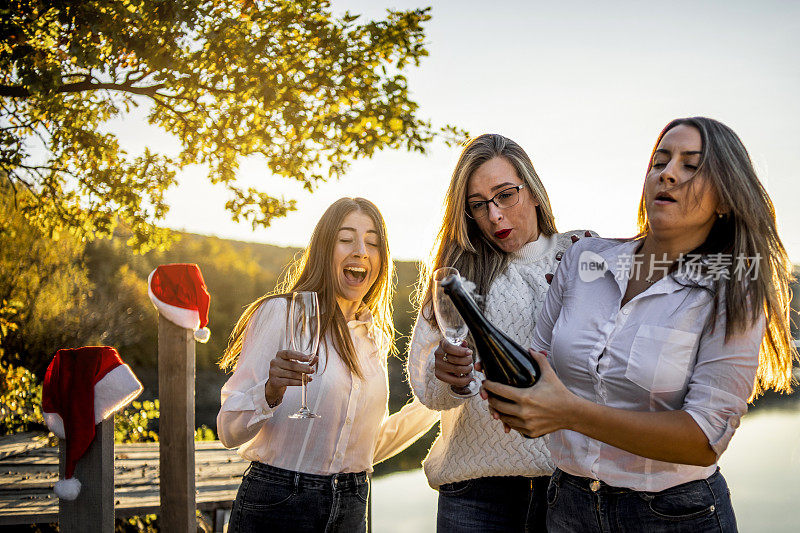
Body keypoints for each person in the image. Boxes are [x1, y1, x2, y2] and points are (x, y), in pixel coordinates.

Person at [483, 117, 797, 532]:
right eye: (660, 161)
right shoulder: (583, 259)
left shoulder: (733, 290)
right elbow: (537, 364)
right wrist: (505, 392)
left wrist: (568, 413)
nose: (667, 172)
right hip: (566, 506)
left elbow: (704, 441)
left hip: (675, 515)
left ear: (724, 198)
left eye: (691, 166)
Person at [406, 133, 595, 532]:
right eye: (478, 205)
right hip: (474, 495)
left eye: (506, 195)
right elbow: (429, 392)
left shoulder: (580, 252)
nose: (494, 216)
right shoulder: (458, 272)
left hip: (570, 487)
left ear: (534, 191)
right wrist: (448, 377)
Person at [217, 197, 439, 533]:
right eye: (346, 239)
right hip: (278, 503)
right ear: (324, 249)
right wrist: (270, 391)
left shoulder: (374, 337)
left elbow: (368, 445)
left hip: (352, 504)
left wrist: (438, 402)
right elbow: (228, 431)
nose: (361, 251)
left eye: (373, 242)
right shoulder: (280, 314)